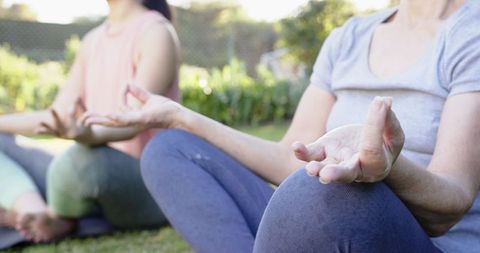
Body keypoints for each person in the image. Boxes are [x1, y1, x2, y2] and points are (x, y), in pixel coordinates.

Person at [85, 0, 480, 252]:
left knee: (321, 191)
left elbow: (451, 203)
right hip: (320, 222)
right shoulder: (349, 39)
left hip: (419, 242)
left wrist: (383, 168)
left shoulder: (470, 33)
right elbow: (291, 155)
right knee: (171, 149)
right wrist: (179, 116)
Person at [0, 0, 180, 246]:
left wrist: (88, 135)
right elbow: (57, 116)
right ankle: (37, 211)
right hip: (86, 169)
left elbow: (136, 121)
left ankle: (58, 214)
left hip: (144, 183)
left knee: (80, 162)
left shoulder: (156, 33)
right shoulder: (92, 41)